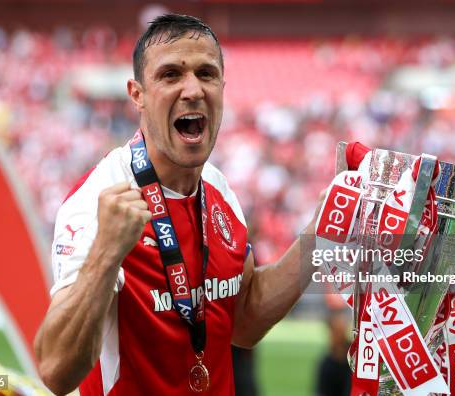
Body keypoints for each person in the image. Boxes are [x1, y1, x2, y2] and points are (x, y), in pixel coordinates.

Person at [33, 14, 319, 395]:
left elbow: (244, 320)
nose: (193, 90)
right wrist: (105, 254)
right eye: (170, 75)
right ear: (137, 94)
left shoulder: (219, 189)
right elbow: (55, 370)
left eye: (206, 73)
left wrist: (321, 236)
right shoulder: (99, 201)